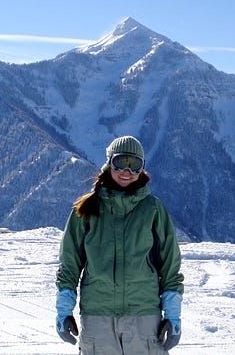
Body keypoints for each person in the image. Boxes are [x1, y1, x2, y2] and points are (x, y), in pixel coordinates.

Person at [55, 135, 184, 354]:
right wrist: (64, 310)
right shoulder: (86, 209)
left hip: (143, 316)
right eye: (120, 162)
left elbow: (170, 265)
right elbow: (70, 264)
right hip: (98, 316)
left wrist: (172, 315)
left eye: (135, 165)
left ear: (142, 169)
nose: (127, 171)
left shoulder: (153, 209)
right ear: (108, 164)